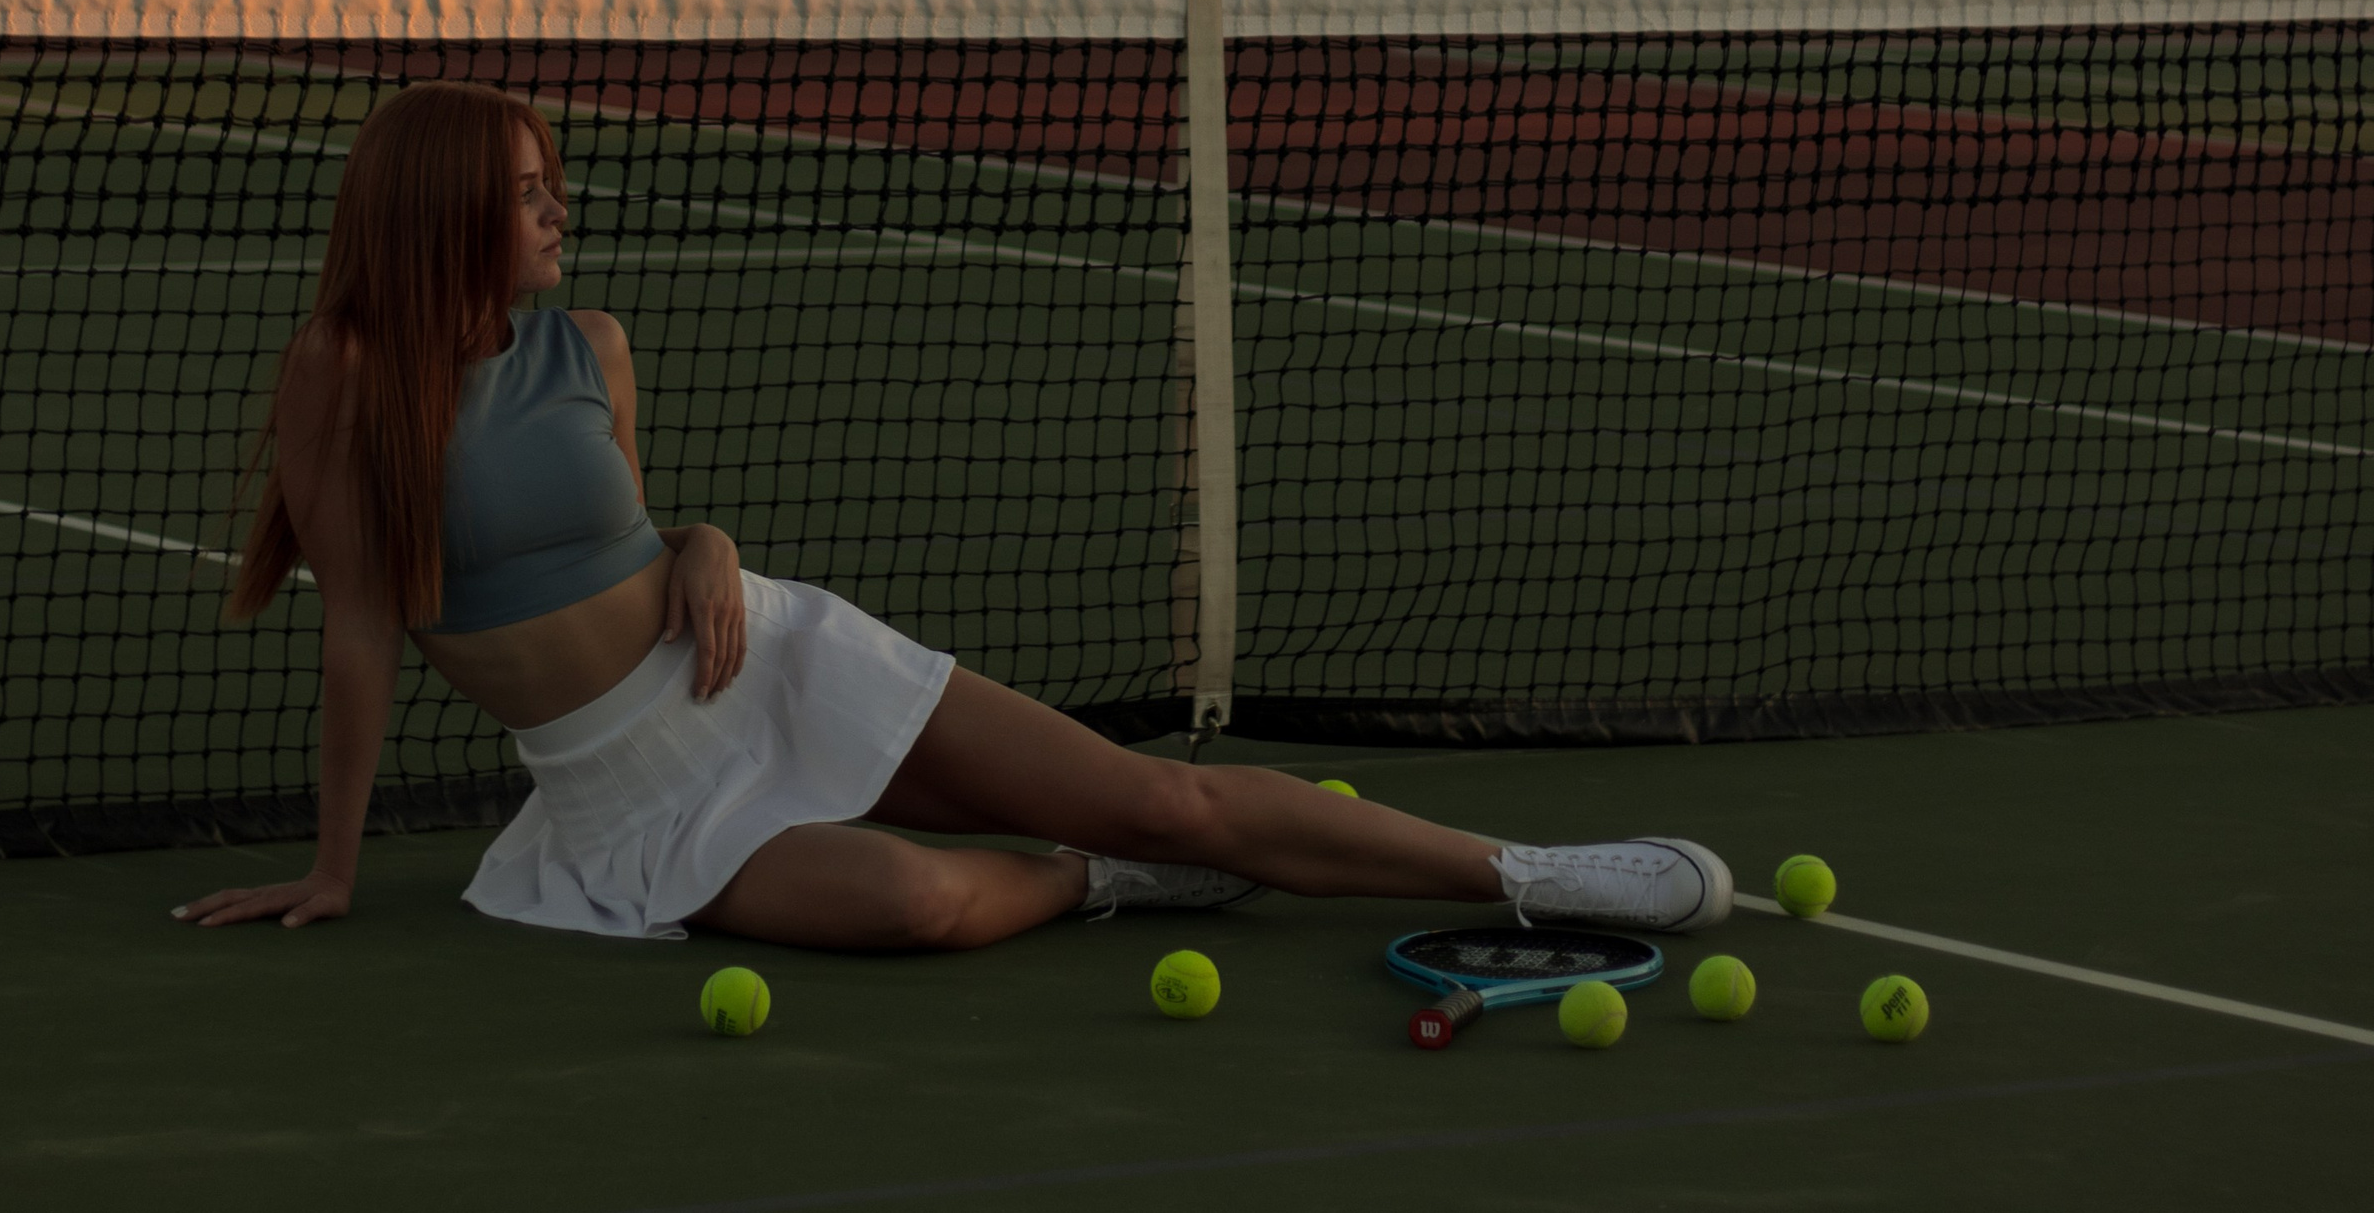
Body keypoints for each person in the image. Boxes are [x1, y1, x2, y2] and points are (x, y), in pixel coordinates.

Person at [174, 84, 1731, 948]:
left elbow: (640, 540)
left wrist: (708, 545)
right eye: (527, 191)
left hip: (763, 660)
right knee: (921, 902)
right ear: (444, 206)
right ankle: (1094, 880)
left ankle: (1534, 869)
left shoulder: (594, 348)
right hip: (625, 798)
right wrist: (333, 867)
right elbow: (364, 628)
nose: (558, 212)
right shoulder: (345, 371)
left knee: (1167, 793)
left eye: (551, 184)